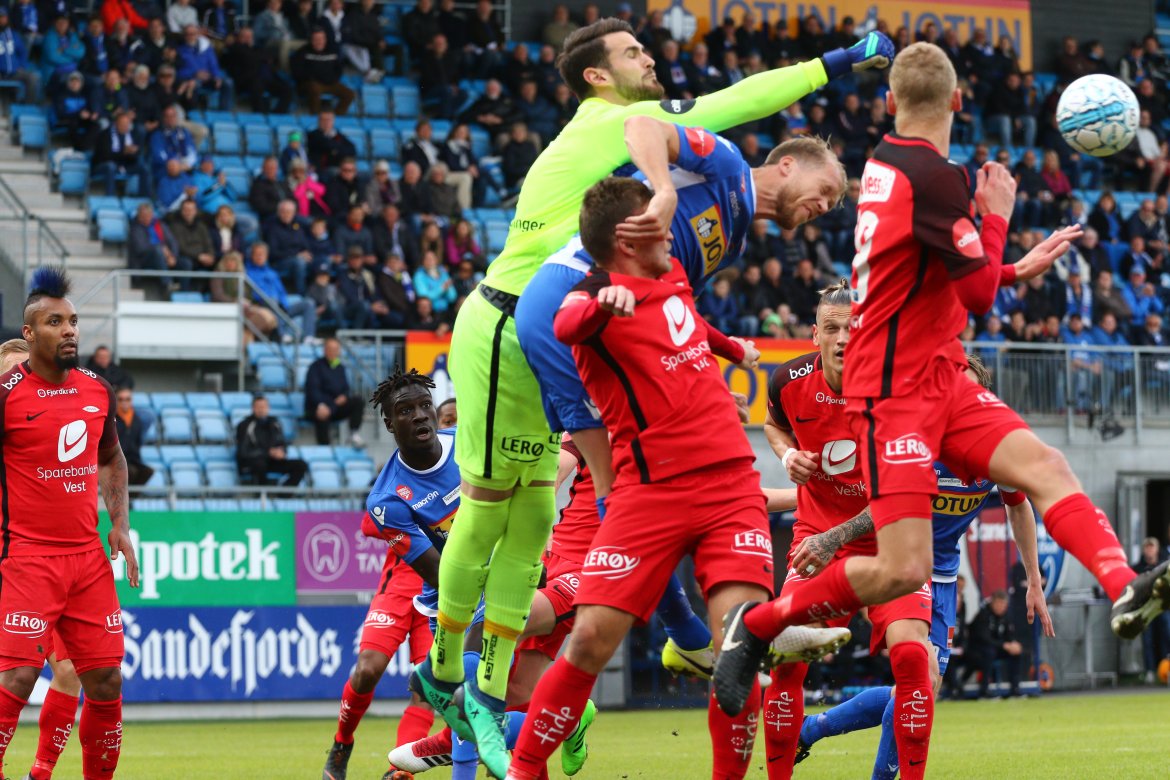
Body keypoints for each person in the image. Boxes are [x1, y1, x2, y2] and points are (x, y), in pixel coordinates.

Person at [416, 17, 895, 764]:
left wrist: (712, 340)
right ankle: (458, 668)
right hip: (528, 315)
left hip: (573, 326)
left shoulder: (723, 237)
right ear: (792, 163)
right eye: (828, 189)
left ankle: (688, 643)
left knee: (569, 507)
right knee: (534, 504)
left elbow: (661, 299)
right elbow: (727, 103)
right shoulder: (683, 148)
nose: (826, 206)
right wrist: (835, 63)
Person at [713, 43, 1170, 776]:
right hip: (894, 392)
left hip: (942, 373)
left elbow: (941, 279)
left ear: (892, 102)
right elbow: (978, 293)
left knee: (1044, 466)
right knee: (901, 569)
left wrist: (1011, 259)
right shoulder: (934, 177)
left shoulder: (895, 162)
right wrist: (996, 216)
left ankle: (1124, 589)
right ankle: (758, 624)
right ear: (959, 104)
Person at [505, 177, 844, 780]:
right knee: (587, 643)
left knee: (735, 653)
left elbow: (687, 323)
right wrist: (600, 302)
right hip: (648, 494)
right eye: (656, 220)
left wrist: (730, 348)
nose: (670, 227)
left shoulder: (672, 275)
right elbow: (563, 324)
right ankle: (525, 771)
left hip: (729, 487)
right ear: (626, 238)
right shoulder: (588, 302)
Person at [783, 356, 1055, 777]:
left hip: (942, 573)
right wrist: (834, 537)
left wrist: (1034, 581)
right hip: (899, 562)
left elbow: (1019, 507)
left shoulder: (999, 447)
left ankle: (810, 730)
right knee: (919, 682)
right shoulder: (916, 442)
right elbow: (885, 505)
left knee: (923, 689)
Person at [0, 267, 139, 780]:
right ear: (31, 332)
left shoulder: (96, 389)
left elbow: (113, 456)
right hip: (28, 558)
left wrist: (119, 523)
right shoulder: (8, 393)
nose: (70, 330)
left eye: (74, 320)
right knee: (15, 678)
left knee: (104, 680)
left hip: (87, 561)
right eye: (56, 321)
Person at [0, 337, 85, 779]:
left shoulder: (42, 433)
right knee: (16, 677)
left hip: (41, 569)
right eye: (13, 373)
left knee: (69, 672)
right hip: (11, 566)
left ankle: (40, 773)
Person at [303, 337, 365, 446]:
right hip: (318, 407)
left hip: (335, 406)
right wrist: (322, 405)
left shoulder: (340, 367)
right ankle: (324, 448)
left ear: (339, 351)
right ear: (324, 350)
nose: (333, 352)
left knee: (358, 401)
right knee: (322, 414)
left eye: (336, 349)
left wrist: (344, 397)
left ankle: (353, 434)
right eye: (330, 349)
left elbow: (346, 388)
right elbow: (313, 390)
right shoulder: (315, 367)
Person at [235, 393, 307, 485]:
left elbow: (282, 442)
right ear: (253, 408)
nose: (261, 409)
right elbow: (243, 452)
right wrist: (267, 452)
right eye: (258, 407)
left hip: (272, 461)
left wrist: (282, 452)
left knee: (301, 465)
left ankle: (284, 496)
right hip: (253, 462)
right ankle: (262, 496)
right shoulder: (245, 425)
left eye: (264, 406)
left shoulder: (275, 423)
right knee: (259, 464)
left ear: (268, 408)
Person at [967, 590, 1023, 697]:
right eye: (998, 603)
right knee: (989, 653)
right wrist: (1004, 645)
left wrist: (1013, 643)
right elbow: (984, 638)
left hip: (997, 648)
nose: (1000, 607)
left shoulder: (1006, 616)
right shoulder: (983, 614)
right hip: (977, 649)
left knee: (1016, 653)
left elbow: (1009, 634)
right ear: (992, 603)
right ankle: (984, 690)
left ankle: (1015, 689)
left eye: (1003, 604)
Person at [291, 28, 355, 115]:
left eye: (321, 39)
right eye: (316, 39)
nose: (319, 42)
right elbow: (297, 71)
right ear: (311, 40)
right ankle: (315, 117)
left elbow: (338, 69)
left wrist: (332, 79)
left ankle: (334, 118)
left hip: (330, 83)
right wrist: (312, 78)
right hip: (311, 83)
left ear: (325, 40)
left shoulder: (332, 51)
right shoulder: (302, 52)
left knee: (349, 94)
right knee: (314, 89)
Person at [113, 386, 154, 486]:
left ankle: (130, 499)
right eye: (121, 399)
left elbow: (138, 442)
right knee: (130, 472)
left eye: (127, 399)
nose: (124, 402)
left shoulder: (137, 420)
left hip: (133, 459)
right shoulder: (112, 419)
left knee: (148, 471)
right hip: (116, 459)